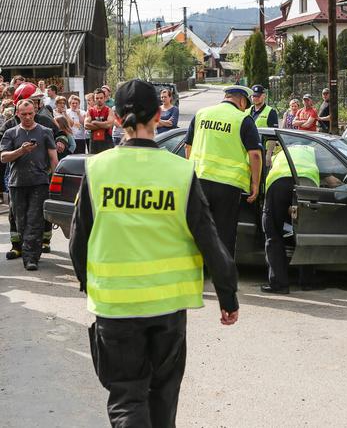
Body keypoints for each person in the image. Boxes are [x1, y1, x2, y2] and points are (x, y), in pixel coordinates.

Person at [69, 79, 239, 427]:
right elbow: (209, 238)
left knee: (127, 398)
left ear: (116, 119)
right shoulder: (180, 172)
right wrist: (228, 296)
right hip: (167, 310)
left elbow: (77, 241)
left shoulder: (97, 169)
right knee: (163, 397)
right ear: (160, 115)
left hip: (115, 308)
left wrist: (90, 285)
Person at [185, 85, 262, 258]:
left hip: (200, 181)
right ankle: (222, 280)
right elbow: (255, 155)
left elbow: (188, 146)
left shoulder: (201, 114)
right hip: (228, 187)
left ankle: (198, 274)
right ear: (242, 100)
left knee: (198, 229)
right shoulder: (243, 119)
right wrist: (255, 183)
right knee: (225, 234)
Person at [1, 83, 61, 259]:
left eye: (36, 103)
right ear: (18, 108)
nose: (36, 105)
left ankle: (38, 247)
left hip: (41, 175)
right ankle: (17, 246)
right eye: (34, 100)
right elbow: (3, 153)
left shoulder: (45, 121)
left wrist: (61, 142)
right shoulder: (10, 125)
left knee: (37, 215)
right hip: (15, 175)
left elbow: (60, 136)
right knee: (16, 215)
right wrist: (19, 150)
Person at [261, 143, 322, 294]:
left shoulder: (280, 153)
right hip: (307, 183)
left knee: (273, 234)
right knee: (307, 232)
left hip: (279, 182)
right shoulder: (315, 151)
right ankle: (307, 282)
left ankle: (279, 284)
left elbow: (266, 164)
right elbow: (331, 176)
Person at [84, 88, 115, 154]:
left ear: (104, 98)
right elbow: (86, 125)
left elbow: (109, 125)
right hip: (94, 143)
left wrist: (95, 122)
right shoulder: (90, 111)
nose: (99, 100)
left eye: (101, 98)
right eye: (97, 98)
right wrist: (103, 125)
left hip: (107, 142)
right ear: (94, 99)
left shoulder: (109, 110)